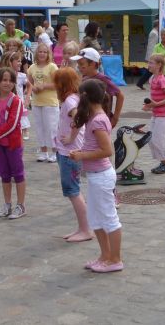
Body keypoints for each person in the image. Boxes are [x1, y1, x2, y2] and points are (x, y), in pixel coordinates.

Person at [69, 78, 123, 273]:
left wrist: (82, 155)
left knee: (109, 218)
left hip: (102, 175)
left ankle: (115, 259)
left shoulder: (99, 120)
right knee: (96, 218)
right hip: (95, 175)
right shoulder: (95, 116)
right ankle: (105, 256)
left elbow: (107, 150)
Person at [52, 66, 92, 243]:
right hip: (68, 150)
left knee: (73, 191)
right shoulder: (74, 98)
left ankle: (85, 229)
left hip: (69, 152)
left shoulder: (69, 101)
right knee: (74, 191)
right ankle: (83, 227)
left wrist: (70, 137)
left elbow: (78, 119)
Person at [0, 67, 27, 220]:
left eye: (10, 80)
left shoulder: (16, 101)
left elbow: (12, 124)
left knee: (18, 174)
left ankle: (20, 205)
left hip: (12, 144)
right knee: (4, 175)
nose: (7, 83)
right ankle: (7, 204)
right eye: (4, 80)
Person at [72, 47, 125, 128]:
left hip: (100, 121)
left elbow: (120, 95)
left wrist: (115, 118)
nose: (79, 67)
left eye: (81, 64)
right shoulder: (84, 78)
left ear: (92, 64)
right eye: (78, 64)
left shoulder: (102, 78)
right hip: (89, 120)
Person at [143, 54, 165, 174]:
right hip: (156, 114)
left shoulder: (162, 79)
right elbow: (154, 98)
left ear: (159, 65)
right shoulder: (152, 78)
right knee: (151, 139)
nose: (149, 65)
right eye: (149, 62)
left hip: (164, 114)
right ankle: (163, 162)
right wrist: (149, 106)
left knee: (159, 139)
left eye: (151, 63)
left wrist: (156, 104)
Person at [28, 43, 59, 163]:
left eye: (45, 52)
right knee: (39, 128)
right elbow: (29, 82)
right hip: (37, 102)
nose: (42, 54)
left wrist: (44, 86)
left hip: (50, 102)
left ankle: (54, 152)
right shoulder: (32, 67)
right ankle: (43, 151)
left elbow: (57, 84)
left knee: (51, 128)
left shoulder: (52, 67)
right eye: (40, 52)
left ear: (48, 54)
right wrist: (32, 88)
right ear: (36, 53)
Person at [2, 51, 31, 141]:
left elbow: (30, 86)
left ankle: (20, 143)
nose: (20, 63)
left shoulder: (22, 76)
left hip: (19, 103)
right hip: (7, 104)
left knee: (20, 128)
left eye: (20, 61)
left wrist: (27, 99)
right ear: (10, 62)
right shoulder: (4, 75)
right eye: (18, 61)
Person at [136, 24, 160, 90]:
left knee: (150, 71)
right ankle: (141, 83)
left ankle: (140, 83)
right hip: (152, 54)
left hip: (152, 54)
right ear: (158, 25)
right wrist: (153, 56)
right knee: (150, 71)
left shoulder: (154, 32)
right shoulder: (154, 33)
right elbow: (152, 46)